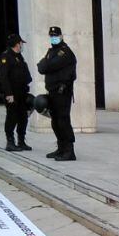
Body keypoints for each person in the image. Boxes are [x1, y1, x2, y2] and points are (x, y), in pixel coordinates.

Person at [36, 26, 78, 161]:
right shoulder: (51, 52)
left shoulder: (64, 52)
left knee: (63, 121)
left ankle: (69, 150)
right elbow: (41, 68)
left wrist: (47, 64)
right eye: (51, 35)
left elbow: (47, 66)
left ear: (61, 36)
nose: (53, 37)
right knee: (55, 121)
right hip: (53, 91)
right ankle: (61, 148)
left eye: (55, 35)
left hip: (62, 92)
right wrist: (47, 64)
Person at [0, 33, 32, 153]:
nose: (22, 45)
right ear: (17, 44)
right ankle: (10, 142)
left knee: (23, 117)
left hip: (22, 92)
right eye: (21, 43)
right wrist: (8, 94)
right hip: (12, 93)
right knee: (12, 117)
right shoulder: (6, 57)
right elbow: (4, 77)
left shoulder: (19, 57)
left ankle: (21, 141)